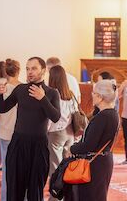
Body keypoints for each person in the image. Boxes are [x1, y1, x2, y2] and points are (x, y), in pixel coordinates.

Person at [0, 57, 60, 201]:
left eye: (34, 68)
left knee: (35, 190)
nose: (30, 72)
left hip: (38, 146)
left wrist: (43, 98)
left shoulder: (51, 93)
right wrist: (0, 95)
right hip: (18, 144)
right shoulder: (20, 89)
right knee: (14, 188)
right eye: (27, 68)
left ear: (43, 71)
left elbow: (55, 117)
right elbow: (3, 108)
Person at [65, 80, 119, 201]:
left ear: (100, 97)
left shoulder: (103, 117)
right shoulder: (112, 114)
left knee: (91, 196)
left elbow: (88, 145)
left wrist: (71, 148)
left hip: (95, 164)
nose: (92, 95)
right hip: (102, 160)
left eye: (93, 93)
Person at [47, 65, 75, 201]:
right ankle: (67, 197)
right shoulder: (69, 93)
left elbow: (50, 118)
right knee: (67, 169)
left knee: (55, 169)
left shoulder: (52, 93)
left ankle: (55, 198)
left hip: (56, 133)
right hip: (70, 133)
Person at [0, 59, 21, 201]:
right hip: (19, 132)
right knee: (20, 170)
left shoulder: (2, 87)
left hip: (5, 132)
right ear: (19, 71)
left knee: (6, 171)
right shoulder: (23, 88)